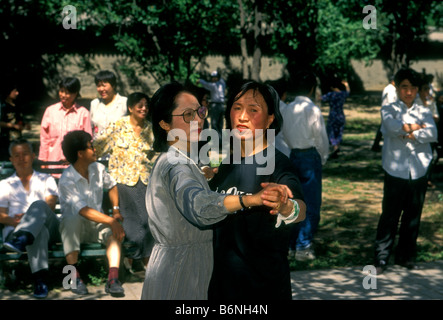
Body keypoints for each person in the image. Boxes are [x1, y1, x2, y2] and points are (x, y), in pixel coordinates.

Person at [141, 82, 292, 300]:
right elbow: (200, 206)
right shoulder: (176, 165)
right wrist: (250, 199)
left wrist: (203, 176)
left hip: (187, 266)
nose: (198, 120)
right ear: (165, 123)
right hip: (181, 271)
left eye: (200, 111)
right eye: (188, 115)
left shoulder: (184, 161)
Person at [208, 81, 306, 300]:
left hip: (262, 287)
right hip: (223, 286)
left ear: (270, 119)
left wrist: (286, 205)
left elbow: (300, 210)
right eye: (237, 107)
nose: (243, 117)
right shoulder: (227, 164)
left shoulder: (278, 164)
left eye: (253, 110)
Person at [374, 68, 437, 274]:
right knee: (390, 214)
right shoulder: (388, 109)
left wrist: (410, 131)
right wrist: (418, 128)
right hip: (395, 169)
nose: (408, 92)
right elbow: (392, 127)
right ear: (398, 88)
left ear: (418, 90)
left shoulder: (424, 110)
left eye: (412, 88)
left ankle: (406, 255)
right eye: (404, 87)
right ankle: (382, 256)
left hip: (418, 169)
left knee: (413, 214)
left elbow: (433, 133)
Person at [58, 130, 126, 297]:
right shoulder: (67, 179)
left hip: (98, 224)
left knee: (113, 235)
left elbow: (112, 186)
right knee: (70, 220)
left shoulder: (98, 168)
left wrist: (115, 210)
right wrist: (111, 220)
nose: (95, 149)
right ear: (80, 154)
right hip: (75, 229)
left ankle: (113, 279)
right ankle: (73, 276)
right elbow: (83, 210)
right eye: (91, 147)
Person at [94, 92, 155, 272]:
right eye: (139, 105)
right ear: (130, 108)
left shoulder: (151, 130)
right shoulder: (117, 126)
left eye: (146, 105)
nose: (143, 108)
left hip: (145, 181)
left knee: (147, 220)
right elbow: (97, 146)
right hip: (122, 182)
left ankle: (145, 261)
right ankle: (131, 259)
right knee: (130, 223)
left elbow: (157, 154)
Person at [0, 139, 59, 298]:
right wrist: (14, 221)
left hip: (50, 225)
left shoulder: (47, 179)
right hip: (17, 228)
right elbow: (0, 214)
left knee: (40, 205)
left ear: (33, 156)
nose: (21, 158)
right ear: (11, 160)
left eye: (25, 154)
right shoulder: (5, 184)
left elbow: (51, 206)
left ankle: (22, 238)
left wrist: (27, 217)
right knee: (39, 232)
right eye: (16, 155)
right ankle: (40, 281)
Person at [280, 72, 329, 261]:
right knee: (311, 203)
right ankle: (303, 245)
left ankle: (292, 244)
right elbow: (321, 138)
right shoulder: (312, 109)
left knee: (294, 201)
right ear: (311, 89)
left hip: (293, 155)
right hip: (309, 155)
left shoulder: (287, 109)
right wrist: (322, 157)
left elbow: (283, 134)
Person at [38, 77, 92, 175]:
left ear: (75, 94)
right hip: (53, 163)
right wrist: (43, 160)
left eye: (67, 93)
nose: (63, 95)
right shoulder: (50, 111)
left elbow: (87, 142)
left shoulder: (83, 113)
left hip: (75, 166)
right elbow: (44, 139)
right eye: (61, 91)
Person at [90, 70, 127, 140]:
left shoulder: (124, 102)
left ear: (113, 86)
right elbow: (91, 127)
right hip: (98, 147)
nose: (101, 89)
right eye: (98, 86)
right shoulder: (94, 104)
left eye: (104, 86)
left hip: (119, 147)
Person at [320, 78, 350, 159]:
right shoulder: (343, 94)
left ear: (332, 87)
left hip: (333, 115)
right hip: (341, 115)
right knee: (339, 132)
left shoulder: (331, 94)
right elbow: (348, 92)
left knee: (331, 132)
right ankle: (337, 146)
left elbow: (321, 98)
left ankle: (335, 147)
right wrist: (346, 85)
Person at [0, 83, 30, 161]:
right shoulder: (3, 106)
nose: (17, 93)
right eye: (15, 91)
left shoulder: (16, 106)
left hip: (17, 140)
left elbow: (19, 120)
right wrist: (13, 126)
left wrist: (25, 125)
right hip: (6, 141)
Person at [197, 70, 226, 141]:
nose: (214, 79)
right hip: (222, 106)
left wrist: (200, 80)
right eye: (213, 77)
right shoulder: (222, 83)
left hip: (215, 106)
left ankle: (217, 141)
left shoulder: (213, 86)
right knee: (220, 124)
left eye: (215, 77)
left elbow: (206, 84)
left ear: (217, 78)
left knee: (214, 124)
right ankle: (220, 141)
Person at [372, 77, 397, 152]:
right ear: (393, 81)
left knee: (382, 128)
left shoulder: (387, 88)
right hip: (388, 111)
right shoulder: (391, 89)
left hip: (385, 110)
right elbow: (391, 100)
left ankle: (376, 145)